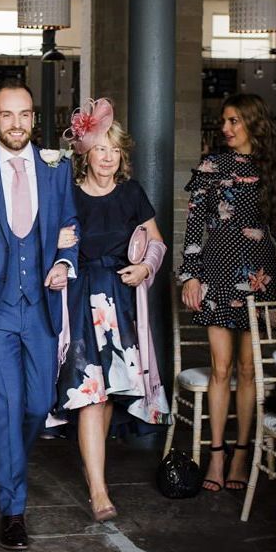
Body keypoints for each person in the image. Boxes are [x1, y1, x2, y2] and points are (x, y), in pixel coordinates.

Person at [0, 79, 79, 550]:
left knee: (36, 406)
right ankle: (13, 510)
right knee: (6, 406)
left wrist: (65, 262)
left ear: (34, 119)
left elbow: (71, 224)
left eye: (24, 114)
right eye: (7, 115)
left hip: (42, 309)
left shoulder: (56, 169)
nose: (17, 123)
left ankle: (13, 466)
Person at [54, 98, 171, 521]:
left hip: (120, 304)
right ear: (85, 152)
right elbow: (51, 244)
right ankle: (100, 492)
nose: (108, 157)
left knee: (106, 398)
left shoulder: (132, 194)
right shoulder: (65, 195)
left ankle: (93, 473)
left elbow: (157, 243)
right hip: (80, 300)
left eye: (115, 149)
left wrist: (145, 266)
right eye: (101, 148)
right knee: (89, 393)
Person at [179, 93, 276, 492]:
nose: (225, 129)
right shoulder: (212, 164)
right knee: (221, 369)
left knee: (248, 370)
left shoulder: (273, 167)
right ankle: (217, 455)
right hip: (217, 271)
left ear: (252, 123)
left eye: (234, 121)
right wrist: (190, 276)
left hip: (260, 273)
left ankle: (243, 454)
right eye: (224, 121)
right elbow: (193, 226)